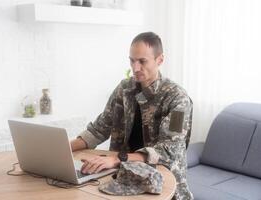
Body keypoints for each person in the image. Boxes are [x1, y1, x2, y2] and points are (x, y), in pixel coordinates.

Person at [70, 32, 193, 200]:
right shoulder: (124, 89)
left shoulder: (178, 98)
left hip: (163, 185)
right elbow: (100, 128)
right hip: (122, 178)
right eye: (132, 60)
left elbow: (168, 150)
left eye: (142, 61)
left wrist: (117, 159)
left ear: (160, 60)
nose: (135, 68)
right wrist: (62, 148)